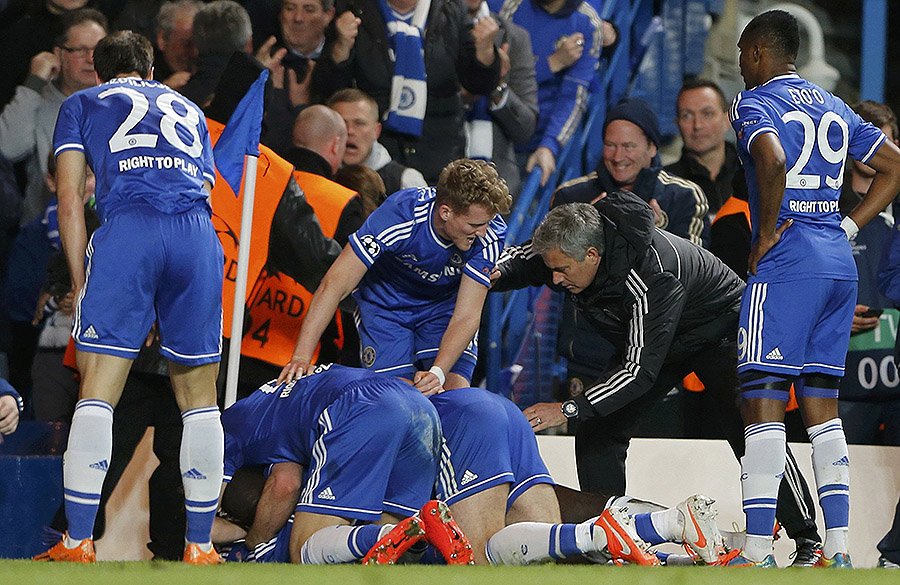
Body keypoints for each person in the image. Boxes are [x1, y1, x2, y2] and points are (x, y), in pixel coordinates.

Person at [491, 195, 825, 564]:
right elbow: (523, 259)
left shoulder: (650, 275)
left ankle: (809, 539)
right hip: (653, 335)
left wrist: (567, 408)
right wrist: (488, 273)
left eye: (562, 270)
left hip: (720, 328)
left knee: (751, 428)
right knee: (598, 426)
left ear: (592, 255)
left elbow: (638, 372)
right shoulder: (571, 245)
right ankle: (606, 538)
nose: (554, 279)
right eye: (552, 269)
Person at [34, 31, 225, 564]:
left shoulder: (81, 102)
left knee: (98, 391)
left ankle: (77, 542)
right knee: (199, 399)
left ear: (98, 70)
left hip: (130, 231)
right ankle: (201, 546)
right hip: (196, 236)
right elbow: (203, 189)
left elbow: (70, 198)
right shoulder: (186, 106)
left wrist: (79, 280)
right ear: (150, 71)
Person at [726, 9, 900, 567]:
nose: (739, 68)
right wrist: (850, 225)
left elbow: (772, 160)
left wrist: (765, 234)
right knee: (823, 405)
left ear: (756, 53)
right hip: (837, 262)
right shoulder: (832, 102)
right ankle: (841, 547)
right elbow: (894, 165)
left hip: (789, 260)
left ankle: (756, 550)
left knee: (763, 400)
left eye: (740, 58)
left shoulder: (754, 102)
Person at [279, 158, 510, 393]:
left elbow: (467, 315)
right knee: (397, 400)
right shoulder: (400, 215)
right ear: (446, 212)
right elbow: (335, 284)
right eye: (474, 224)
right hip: (386, 307)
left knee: (454, 394)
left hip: (443, 309)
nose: (482, 232)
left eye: (487, 223)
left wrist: (437, 373)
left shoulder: (490, 234)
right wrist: (300, 357)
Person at [213, 364, 467, 565]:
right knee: (389, 538)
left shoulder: (226, 431)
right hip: (417, 404)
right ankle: (421, 531)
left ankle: (386, 534)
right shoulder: (265, 406)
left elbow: (285, 485)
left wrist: (252, 541)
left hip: (359, 405)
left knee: (303, 549)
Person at [312, 0, 502, 183]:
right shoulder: (353, 8)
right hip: (377, 164)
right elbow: (328, 90)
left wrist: (485, 51)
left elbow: (479, 85)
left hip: (440, 155)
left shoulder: (452, 8)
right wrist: (341, 47)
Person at [0, 8, 107, 227]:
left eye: (99, 50)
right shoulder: (36, 99)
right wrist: (34, 83)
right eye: (80, 50)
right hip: (43, 228)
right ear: (58, 54)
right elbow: (9, 148)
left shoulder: (121, 100)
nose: (91, 59)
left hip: (111, 227)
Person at [555, 97, 708, 246]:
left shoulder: (685, 197)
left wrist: (654, 234)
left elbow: (692, 269)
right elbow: (550, 264)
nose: (618, 157)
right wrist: (585, 233)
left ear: (652, 148)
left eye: (628, 146)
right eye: (610, 145)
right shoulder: (569, 196)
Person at [837, 101, 900, 446]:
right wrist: (832, 319)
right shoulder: (822, 211)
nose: (876, 152)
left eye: (884, 143)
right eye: (866, 141)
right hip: (843, 387)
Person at [495, 0, 603, 187]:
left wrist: (549, 145)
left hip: (542, 140)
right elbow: (498, 78)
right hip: (503, 134)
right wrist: (552, 63)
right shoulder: (513, 8)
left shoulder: (587, 23)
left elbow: (574, 97)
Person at [462, 0, 538, 197]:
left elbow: (525, 129)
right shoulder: (429, 29)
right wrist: (479, 79)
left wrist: (496, 85)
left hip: (498, 186)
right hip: (434, 171)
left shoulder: (515, 37)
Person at [327, 89, 427, 195]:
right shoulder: (317, 177)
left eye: (359, 123)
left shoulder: (406, 182)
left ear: (377, 131)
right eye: (342, 123)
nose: (349, 131)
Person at [665, 78, 740, 216]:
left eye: (707, 114)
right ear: (677, 123)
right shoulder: (664, 185)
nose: (697, 125)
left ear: (727, 119)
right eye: (687, 116)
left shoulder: (753, 174)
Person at [154, 0, 201, 90]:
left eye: (200, 44)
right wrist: (163, 90)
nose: (195, 52)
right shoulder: (143, 70)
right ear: (162, 39)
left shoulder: (210, 70)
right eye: (187, 44)